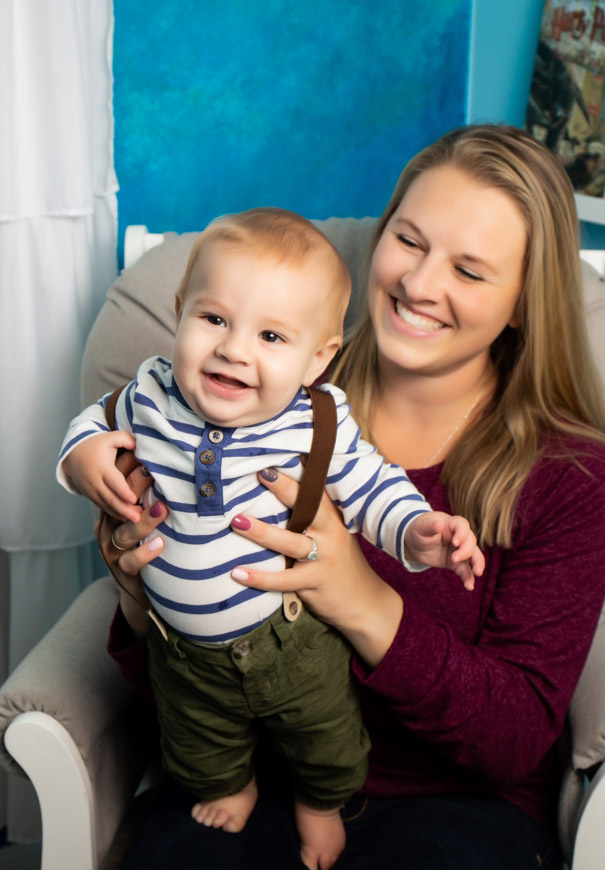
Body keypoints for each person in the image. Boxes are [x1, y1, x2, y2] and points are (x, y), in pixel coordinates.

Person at [100, 125, 605, 870]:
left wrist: (361, 599)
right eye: (409, 241)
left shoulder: (570, 476)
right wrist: (141, 598)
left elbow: (513, 739)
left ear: (522, 304)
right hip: (254, 779)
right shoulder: (251, 400)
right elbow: (183, 699)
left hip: (455, 806)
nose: (420, 284)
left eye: (469, 271)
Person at [57, 207, 484, 870]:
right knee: (196, 745)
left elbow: (372, 484)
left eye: (271, 336)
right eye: (214, 319)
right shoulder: (150, 394)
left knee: (326, 734)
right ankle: (234, 786)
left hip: (289, 638)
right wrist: (82, 459)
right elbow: (91, 424)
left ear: (318, 359)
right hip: (180, 649)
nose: (234, 349)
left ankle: (321, 803)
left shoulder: (315, 422)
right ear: (180, 312)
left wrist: (416, 530)